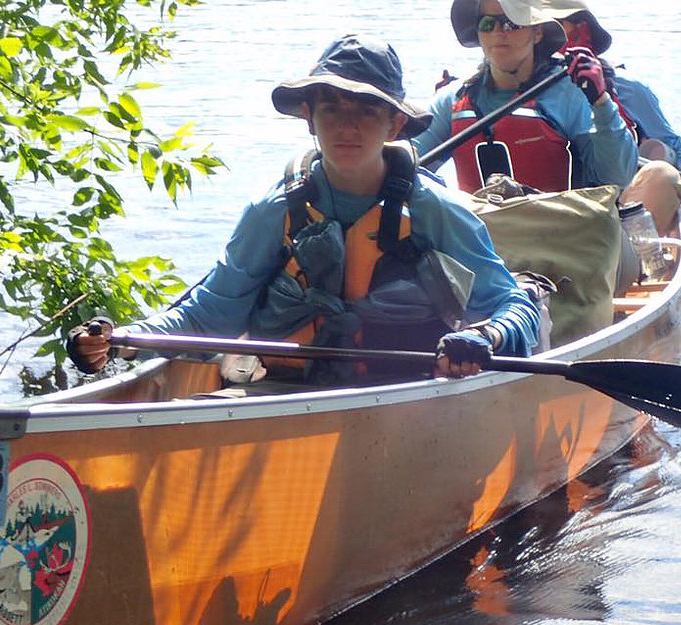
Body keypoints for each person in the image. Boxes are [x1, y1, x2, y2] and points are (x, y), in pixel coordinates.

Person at [67, 34, 539, 383]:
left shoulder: (435, 210)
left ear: (394, 124)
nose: (347, 126)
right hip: (293, 394)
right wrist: (122, 340)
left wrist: (485, 338)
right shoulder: (272, 212)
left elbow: (513, 305)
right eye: (331, 108)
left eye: (366, 110)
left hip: (409, 393)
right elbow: (208, 313)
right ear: (309, 119)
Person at [541, 0, 681, 233]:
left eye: (554, 26)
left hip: (621, 214)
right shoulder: (517, 94)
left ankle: (634, 250)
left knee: (663, 171)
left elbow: (674, 145)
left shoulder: (628, 88)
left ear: (582, 31)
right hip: (551, 214)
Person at [412, 0, 638, 194]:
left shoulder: (570, 93)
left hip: (560, 229)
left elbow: (617, 178)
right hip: (474, 230)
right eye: (487, 24)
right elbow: (409, 160)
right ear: (478, 34)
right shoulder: (452, 99)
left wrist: (601, 102)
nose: (498, 32)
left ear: (537, 32)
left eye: (511, 23)